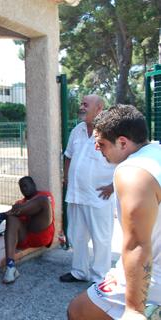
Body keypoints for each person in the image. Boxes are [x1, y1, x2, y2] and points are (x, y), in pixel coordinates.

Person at [68, 105, 161, 319]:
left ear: (122, 142)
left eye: (101, 144)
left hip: (153, 273)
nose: (97, 149)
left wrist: (133, 310)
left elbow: (137, 245)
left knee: (78, 311)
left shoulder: (132, 172)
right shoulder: (156, 151)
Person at [60, 94, 116, 284]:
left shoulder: (111, 132)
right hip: (76, 195)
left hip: (99, 196)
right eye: (82, 103)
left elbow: (126, 161)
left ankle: (100, 277)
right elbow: (68, 156)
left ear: (99, 108)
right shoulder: (77, 130)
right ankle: (79, 271)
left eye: (86, 104)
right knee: (76, 236)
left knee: (101, 239)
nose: (81, 106)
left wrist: (113, 186)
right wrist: (67, 177)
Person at [0, 176, 55, 284]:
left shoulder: (45, 195)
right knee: (11, 217)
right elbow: (19, 221)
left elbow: (46, 211)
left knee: (43, 201)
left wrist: (23, 208)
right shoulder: (19, 203)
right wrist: (20, 209)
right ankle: (10, 267)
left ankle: (0, 217)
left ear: (33, 184)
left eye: (25, 185)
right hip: (25, 237)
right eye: (21, 187)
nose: (24, 189)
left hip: (42, 233)